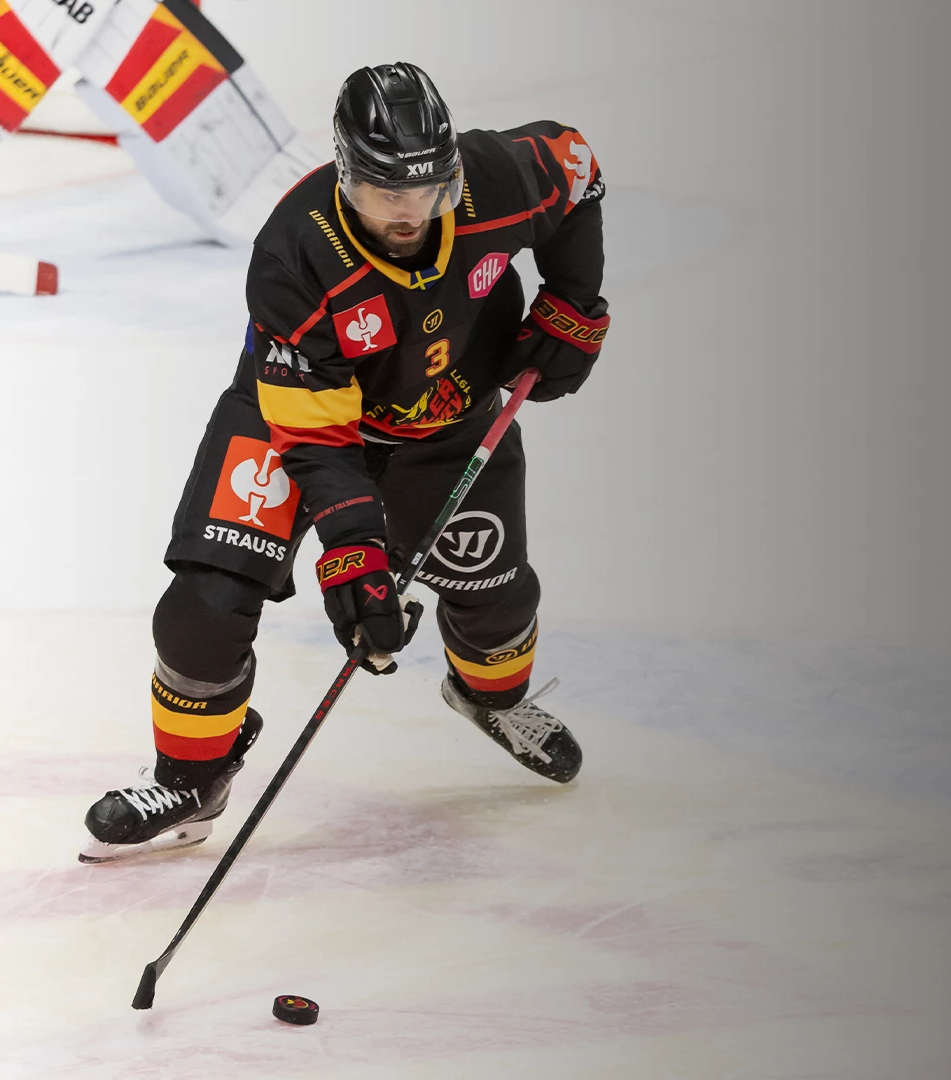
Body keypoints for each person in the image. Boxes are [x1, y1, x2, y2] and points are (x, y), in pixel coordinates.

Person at [79, 62, 608, 863]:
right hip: (290, 419)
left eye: (427, 190)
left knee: (495, 597)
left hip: (448, 419)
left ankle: (489, 697)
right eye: (385, 193)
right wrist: (356, 556)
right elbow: (320, 441)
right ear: (346, 174)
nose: (409, 214)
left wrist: (574, 301)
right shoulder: (295, 251)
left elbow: (578, 166)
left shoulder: (495, 180)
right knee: (205, 602)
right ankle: (190, 779)